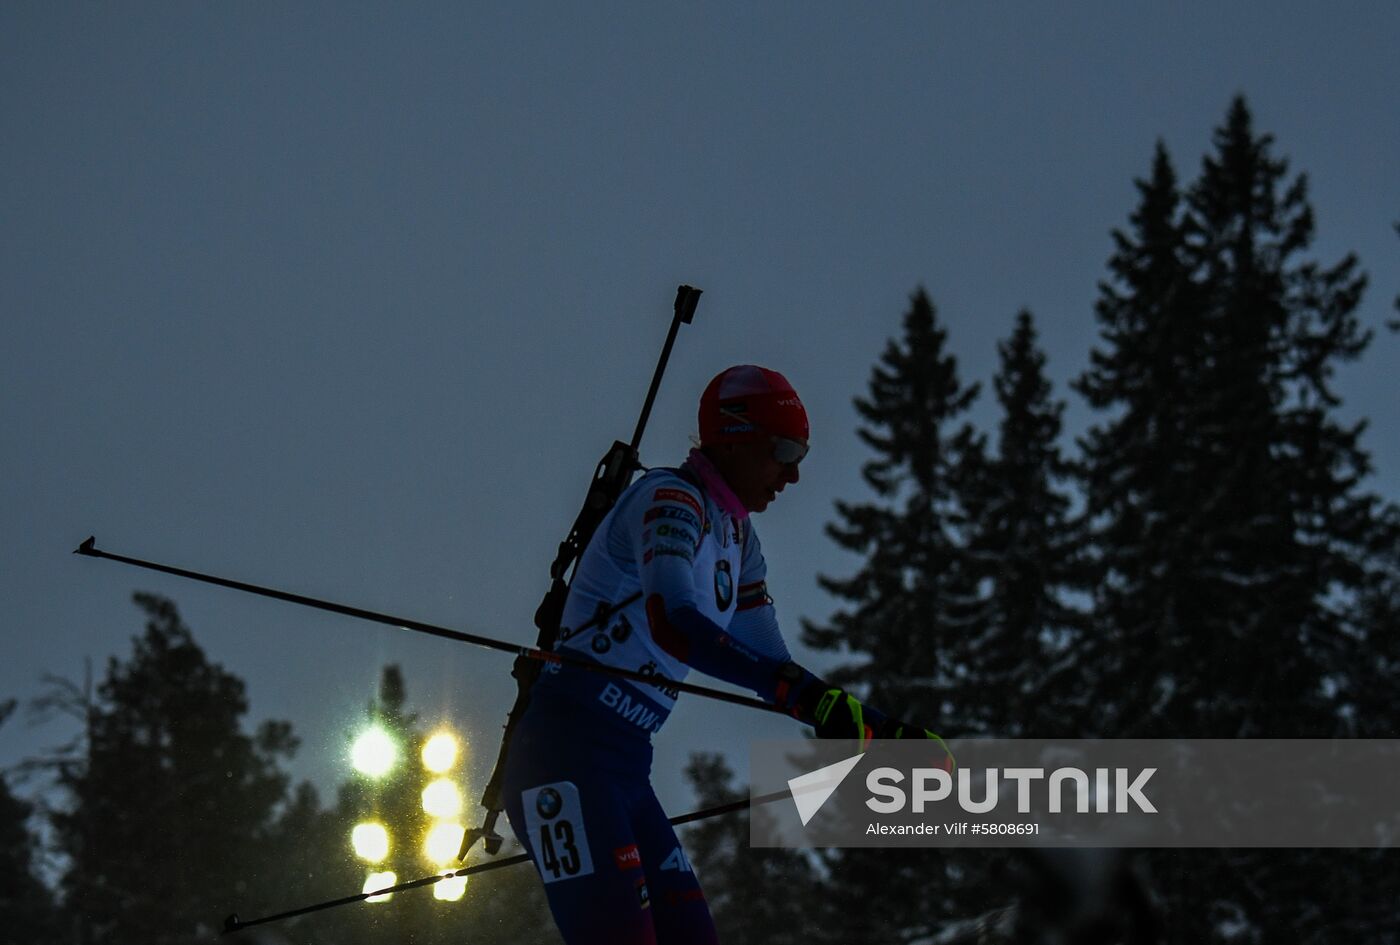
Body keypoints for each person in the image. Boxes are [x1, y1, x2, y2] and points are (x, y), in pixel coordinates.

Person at [501, 364, 929, 945]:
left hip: (626, 767)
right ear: (734, 438)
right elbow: (676, 621)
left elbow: (772, 666)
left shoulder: (739, 539)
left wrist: (880, 731)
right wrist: (807, 699)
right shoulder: (669, 500)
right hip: (563, 757)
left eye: (802, 453)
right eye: (784, 449)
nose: (793, 474)